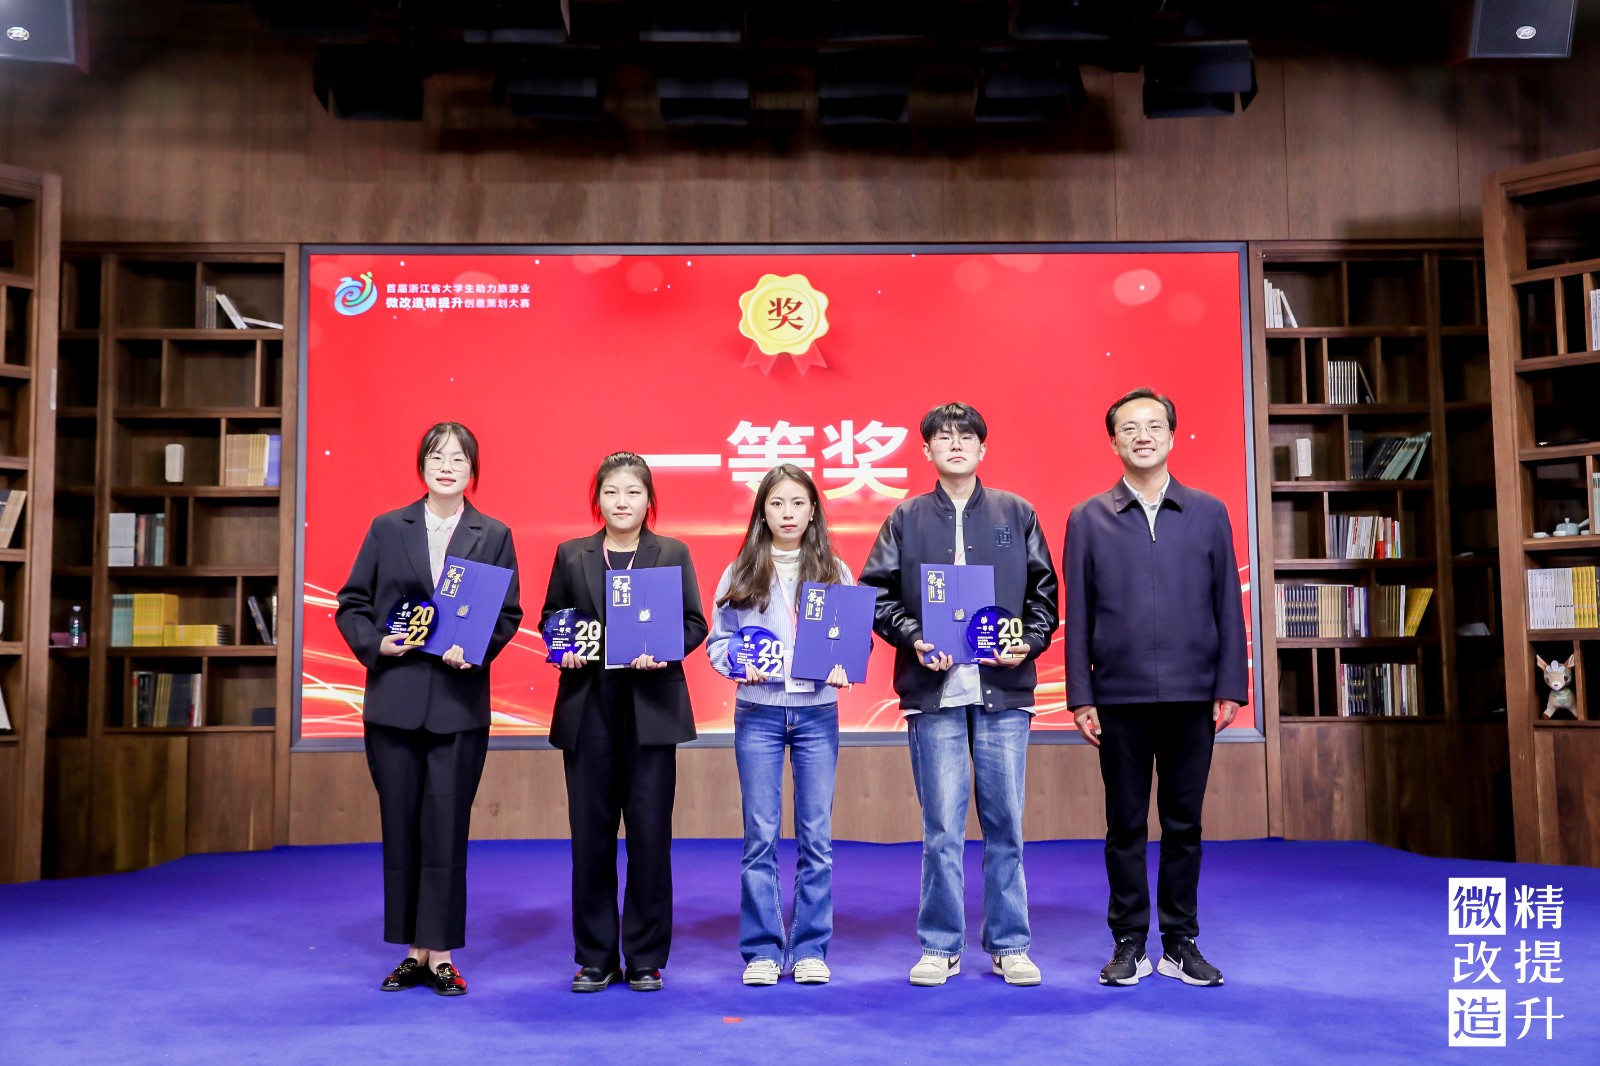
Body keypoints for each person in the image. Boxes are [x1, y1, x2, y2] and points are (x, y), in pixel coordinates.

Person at [859, 402, 1059, 987]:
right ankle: (940, 945)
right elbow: (876, 595)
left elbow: (1044, 595)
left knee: (1006, 826)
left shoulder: (1016, 512)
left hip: (1004, 689)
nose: (955, 444)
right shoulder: (906, 517)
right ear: (926, 451)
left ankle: (1010, 944)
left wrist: (1028, 643)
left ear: (982, 448)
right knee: (942, 829)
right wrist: (914, 637)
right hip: (934, 692)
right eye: (943, 437)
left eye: (965, 436)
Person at [1063, 387, 1248, 989]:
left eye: (1153, 426)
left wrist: (1230, 685)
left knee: (1184, 824)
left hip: (1194, 695)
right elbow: (1078, 613)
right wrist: (1081, 696)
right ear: (1113, 442)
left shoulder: (1208, 511)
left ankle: (1181, 943)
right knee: (1124, 826)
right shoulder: (1088, 517)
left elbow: (1227, 603)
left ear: (1171, 436)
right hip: (1118, 697)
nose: (1142, 436)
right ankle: (1128, 943)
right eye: (1129, 428)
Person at [335, 421, 523, 997]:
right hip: (394, 701)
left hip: (458, 705)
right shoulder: (388, 527)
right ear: (421, 466)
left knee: (446, 828)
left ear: (473, 470)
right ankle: (410, 951)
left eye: (458, 458)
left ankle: (439, 953)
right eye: (437, 456)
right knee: (401, 826)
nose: (447, 466)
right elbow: (351, 603)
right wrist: (379, 644)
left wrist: (477, 649)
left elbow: (508, 613)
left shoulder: (493, 533)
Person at [541, 452, 707, 993]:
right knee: (590, 839)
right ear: (598, 499)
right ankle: (595, 956)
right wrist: (562, 647)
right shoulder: (572, 554)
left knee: (650, 839)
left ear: (649, 499)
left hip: (651, 710)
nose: (622, 501)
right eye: (611, 491)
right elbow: (552, 618)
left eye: (633, 492)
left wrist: (665, 648)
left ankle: (644, 956)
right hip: (588, 709)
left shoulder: (671, 552)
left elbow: (694, 622)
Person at [706, 464, 854, 987]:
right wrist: (735, 663)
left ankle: (810, 948)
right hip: (758, 713)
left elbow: (853, 642)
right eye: (776, 503)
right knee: (760, 836)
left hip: (817, 712)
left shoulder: (834, 570)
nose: (787, 513)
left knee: (817, 837)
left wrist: (844, 665)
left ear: (813, 511)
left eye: (797, 503)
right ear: (762, 512)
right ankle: (764, 950)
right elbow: (718, 643)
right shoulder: (741, 571)